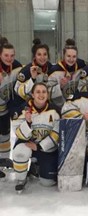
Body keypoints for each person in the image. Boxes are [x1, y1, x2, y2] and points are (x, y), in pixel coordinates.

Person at [12, 83, 60, 192]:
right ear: (32, 94)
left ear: (47, 95)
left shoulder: (55, 111)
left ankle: (36, 166)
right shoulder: (22, 109)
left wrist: (39, 146)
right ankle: (21, 179)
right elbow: (17, 133)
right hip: (27, 144)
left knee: (48, 183)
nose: (41, 95)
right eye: (38, 92)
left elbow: (56, 133)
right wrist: (28, 123)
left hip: (45, 148)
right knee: (20, 153)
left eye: (44, 92)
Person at [0, 38, 22, 178]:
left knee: (5, 137)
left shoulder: (17, 66)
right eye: (6, 55)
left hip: (5, 110)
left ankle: (3, 162)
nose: (9, 58)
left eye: (12, 55)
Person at [47, 39, 86, 108]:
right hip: (59, 106)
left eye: (74, 56)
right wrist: (60, 86)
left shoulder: (82, 66)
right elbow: (46, 92)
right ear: (63, 56)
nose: (71, 59)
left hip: (77, 106)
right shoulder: (54, 71)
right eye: (68, 56)